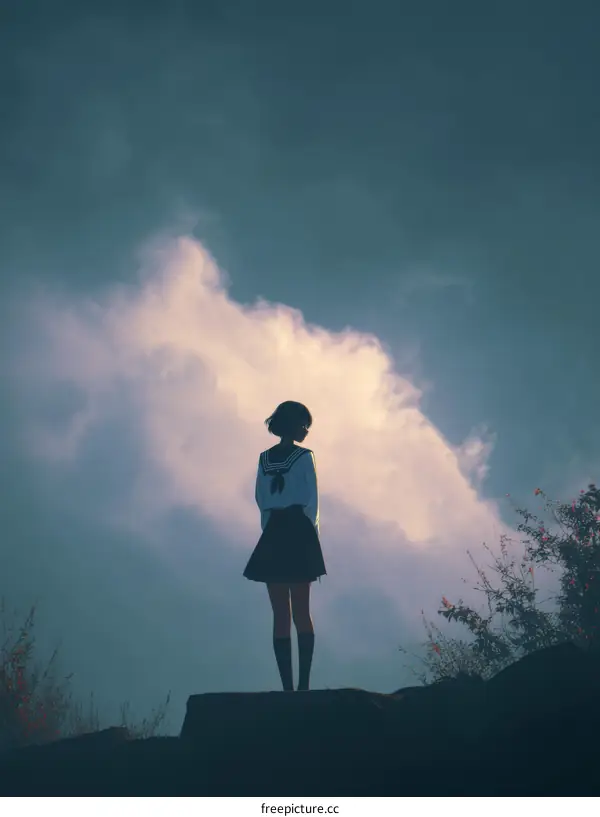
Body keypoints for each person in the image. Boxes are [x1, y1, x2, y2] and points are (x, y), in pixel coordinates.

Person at [243, 401, 326, 692]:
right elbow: (311, 499)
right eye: (305, 424)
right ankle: (302, 686)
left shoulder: (264, 459)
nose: (306, 430)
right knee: (301, 611)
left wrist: (269, 530)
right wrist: (311, 535)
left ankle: (289, 688)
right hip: (299, 532)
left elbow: (261, 499)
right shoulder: (305, 457)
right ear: (295, 424)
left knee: (280, 613)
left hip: (274, 533)